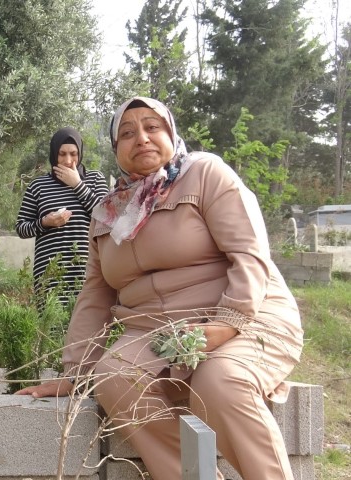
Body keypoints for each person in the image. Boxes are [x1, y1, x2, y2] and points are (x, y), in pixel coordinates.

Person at [16, 97, 304, 480]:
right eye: (128, 133)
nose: (142, 139)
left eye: (153, 127)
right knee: (115, 378)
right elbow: (95, 298)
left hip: (246, 313)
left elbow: (250, 254)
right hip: (158, 331)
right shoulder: (107, 213)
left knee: (219, 382)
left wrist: (228, 322)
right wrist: (75, 373)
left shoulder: (205, 173)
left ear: (170, 133)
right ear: (115, 148)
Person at [15, 127, 108, 308]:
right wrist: (44, 223)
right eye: (62, 154)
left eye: (73, 154)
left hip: (88, 271)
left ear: (80, 153)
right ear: (53, 154)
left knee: (87, 328)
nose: (67, 161)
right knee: (53, 328)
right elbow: (21, 228)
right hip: (49, 274)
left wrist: (77, 185)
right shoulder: (38, 186)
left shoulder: (95, 179)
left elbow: (105, 217)